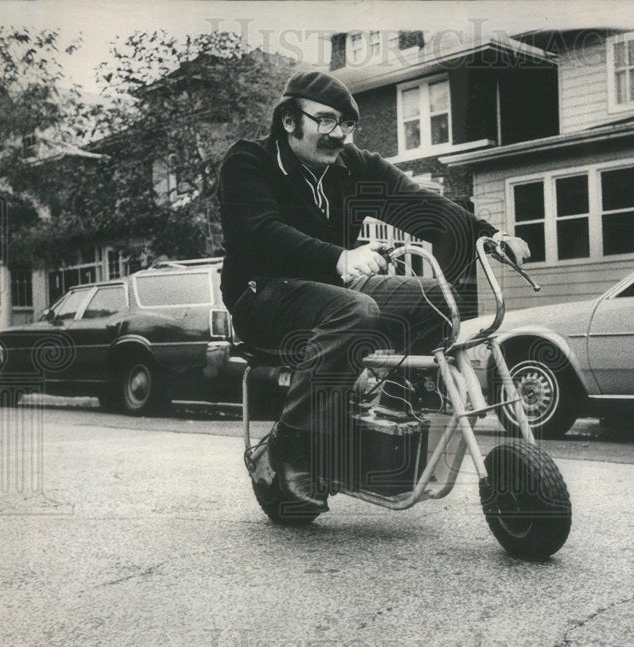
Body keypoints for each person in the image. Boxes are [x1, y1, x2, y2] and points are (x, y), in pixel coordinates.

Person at [219, 71, 530, 510]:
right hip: (262, 296)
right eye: (326, 120)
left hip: (331, 294)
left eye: (347, 124)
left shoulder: (353, 168)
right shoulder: (249, 161)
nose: (339, 135)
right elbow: (260, 230)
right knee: (357, 309)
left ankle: (393, 407)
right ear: (289, 121)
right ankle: (290, 447)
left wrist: (490, 236)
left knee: (436, 299)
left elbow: (421, 205)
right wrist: (338, 258)